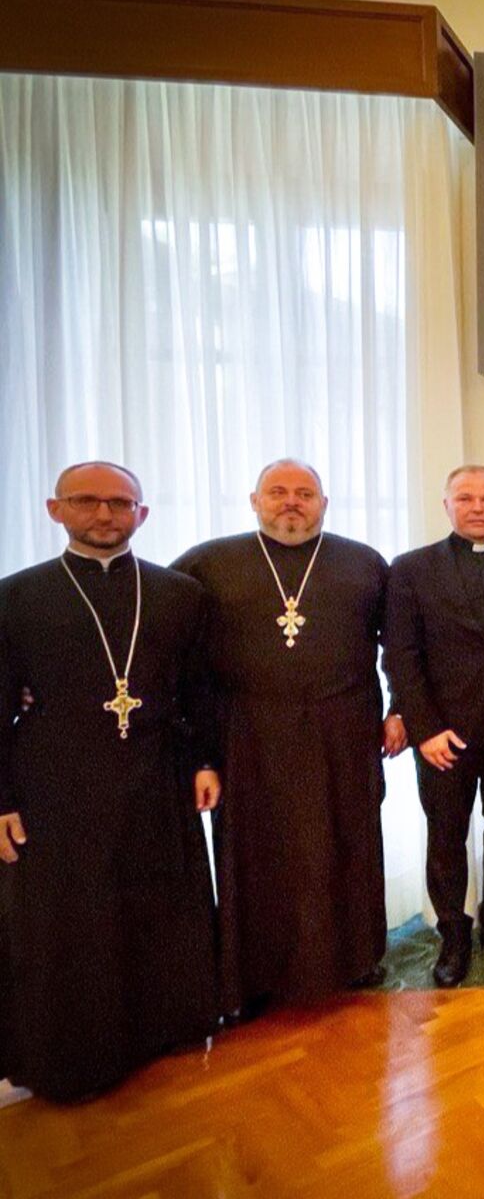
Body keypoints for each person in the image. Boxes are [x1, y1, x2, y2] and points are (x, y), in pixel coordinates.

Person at [0, 462, 217, 1102]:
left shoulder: (178, 594)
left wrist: (205, 761)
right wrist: (2, 797)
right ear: (55, 509)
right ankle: (77, 1058)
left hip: (157, 772)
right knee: (74, 920)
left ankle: (163, 1032)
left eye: (120, 504)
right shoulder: (15, 597)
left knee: (156, 903)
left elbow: (198, 689)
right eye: (87, 501)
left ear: (141, 516)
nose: (105, 515)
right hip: (56, 778)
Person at [173, 459, 404, 1016]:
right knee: (257, 852)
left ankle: (353, 961)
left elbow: (399, 644)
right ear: (254, 499)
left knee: (346, 840)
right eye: (278, 492)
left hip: (343, 728)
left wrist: (399, 709)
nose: (291, 502)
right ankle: (254, 974)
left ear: (324, 503)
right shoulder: (208, 563)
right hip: (248, 734)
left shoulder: (364, 563)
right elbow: (161, 637)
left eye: (305, 493)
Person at [385, 465, 484, 987]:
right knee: (446, 835)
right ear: (446, 505)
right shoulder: (411, 569)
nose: (478, 507)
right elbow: (401, 654)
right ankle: (453, 931)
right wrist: (423, 727)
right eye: (466, 498)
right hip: (442, 735)